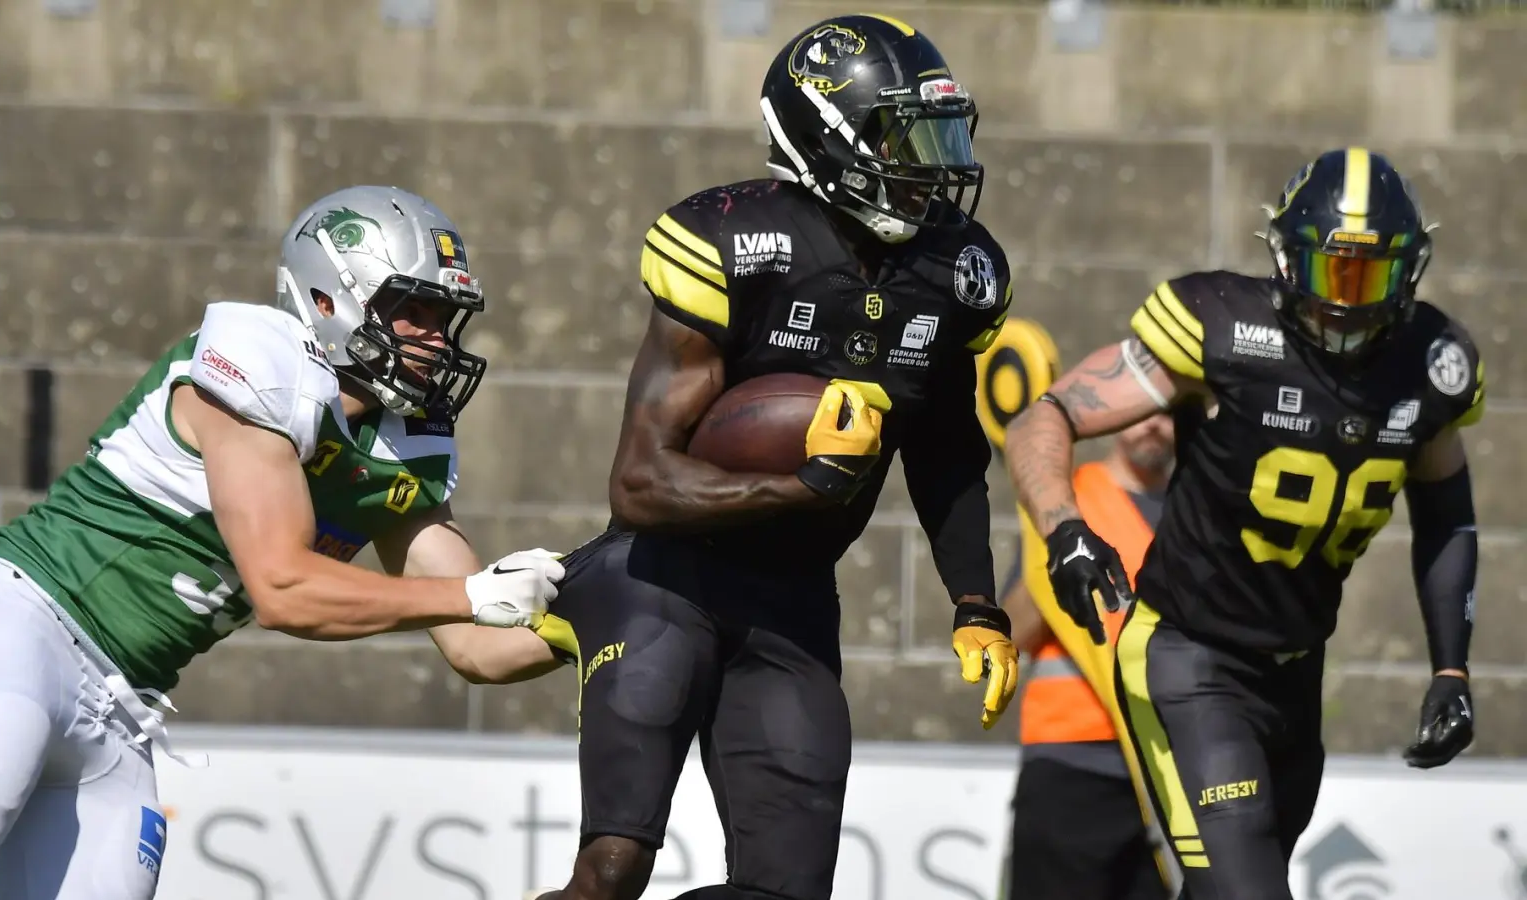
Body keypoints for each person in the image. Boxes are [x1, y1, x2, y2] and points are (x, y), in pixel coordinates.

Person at [462, 15, 1019, 900]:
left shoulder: (955, 271)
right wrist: (799, 483)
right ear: (826, 139)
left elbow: (948, 450)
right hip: (661, 579)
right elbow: (640, 484)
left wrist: (978, 604)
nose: (931, 163)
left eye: (939, 134)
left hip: (792, 600)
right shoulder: (734, 243)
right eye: (903, 136)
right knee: (612, 872)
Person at [0, 185, 565, 899]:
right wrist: (477, 595)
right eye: (412, 310)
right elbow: (283, 589)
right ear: (328, 299)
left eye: (444, 318)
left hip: (122, 707)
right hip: (27, 627)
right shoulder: (263, 359)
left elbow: (480, 643)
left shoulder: (405, 443)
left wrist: (621, 598)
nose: (435, 338)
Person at [1003, 147, 1484, 899]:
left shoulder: (1432, 362)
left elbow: (1448, 515)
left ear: (1409, 271)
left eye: (1370, 275)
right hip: (1189, 656)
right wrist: (1063, 526)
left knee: (1224, 886)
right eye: (1332, 272)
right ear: (1289, 262)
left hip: (1294, 670)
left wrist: (1451, 665)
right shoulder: (1221, 326)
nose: (1349, 301)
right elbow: (1049, 412)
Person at [1000, 412, 1177, 900]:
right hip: (1071, 762)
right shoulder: (1065, 502)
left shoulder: (1198, 513)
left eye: (1166, 412)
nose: (1154, 425)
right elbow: (1011, 634)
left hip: (1171, 766)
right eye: (1142, 411)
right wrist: (1057, 561)